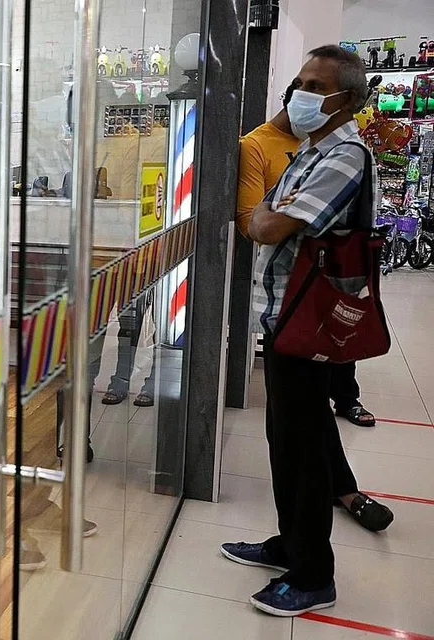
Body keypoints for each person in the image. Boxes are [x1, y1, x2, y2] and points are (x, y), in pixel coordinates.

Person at [221, 46, 388, 617]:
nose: (301, 95)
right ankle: (290, 543)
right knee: (286, 441)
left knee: (305, 449)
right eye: (299, 83)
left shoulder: (344, 156)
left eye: (315, 86)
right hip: (284, 319)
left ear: (346, 99)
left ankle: (314, 574)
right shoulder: (309, 152)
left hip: (311, 325)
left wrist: (271, 212)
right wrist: (272, 210)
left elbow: (265, 225)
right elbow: (266, 213)